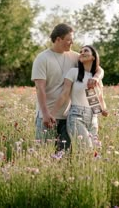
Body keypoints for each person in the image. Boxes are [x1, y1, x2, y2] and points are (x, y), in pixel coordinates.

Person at [31, 23, 103, 151]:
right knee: (43, 152)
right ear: (58, 39)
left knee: (64, 155)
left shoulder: (75, 56)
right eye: (69, 40)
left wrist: (96, 78)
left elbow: (97, 68)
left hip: (68, 116)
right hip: (47, 116)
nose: (72, 43)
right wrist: (46, 114)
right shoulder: (42, 58)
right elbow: (39, 89)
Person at [51, 45, 107, 150]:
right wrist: (52, 114)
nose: (82, 52)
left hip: (93, 118)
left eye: (86, 51)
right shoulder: (73, 72)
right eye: (80, 51)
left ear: (93, 57)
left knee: (93, 151)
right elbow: (64, 94)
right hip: (77, 117)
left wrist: (104, 110)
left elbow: (100, 98)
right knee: (87, 149)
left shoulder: (97, 78)